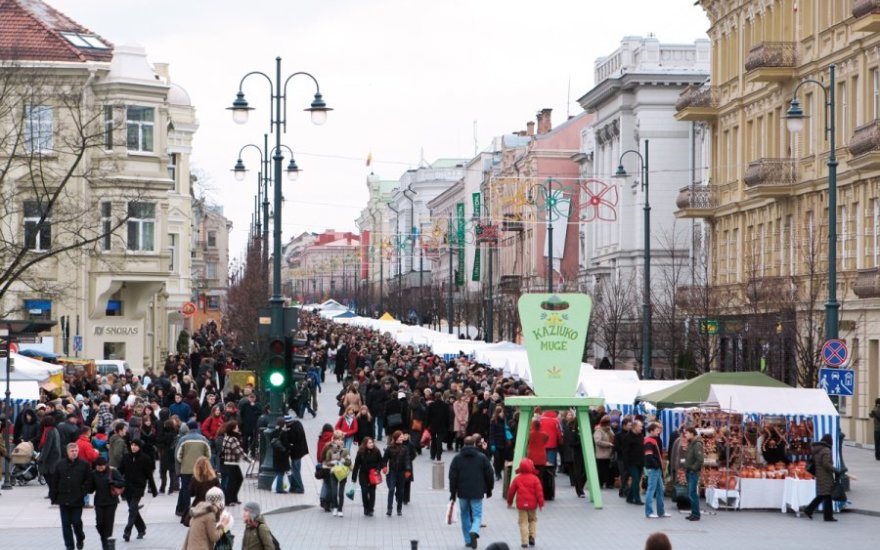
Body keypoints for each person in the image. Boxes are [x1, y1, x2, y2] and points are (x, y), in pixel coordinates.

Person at [449, 435, 494, 549]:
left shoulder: (457, 458)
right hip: (477, 491)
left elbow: (452, 477)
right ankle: (474, 530)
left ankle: (468, 540)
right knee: (477, 514)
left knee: (464, 514)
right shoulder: (482, 457)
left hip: (462, 492)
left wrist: (452, 492)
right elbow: (489, 475)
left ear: (464, 444)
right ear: (474, 444)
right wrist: (489, 489)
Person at [56, 442, 92, 550]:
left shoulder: (84, 464)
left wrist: (83, 491)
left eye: (76, 451)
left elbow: (88, 480)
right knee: (66, 525)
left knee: (76, 522)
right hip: (63, 499)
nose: (74, 453)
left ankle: (80, 538)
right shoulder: (60, 464)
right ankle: (69, 546)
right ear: (67, 452)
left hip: (77, 499)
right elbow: (55, 481)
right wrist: (55, 496)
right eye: (72, 451)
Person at [119, 439, 157, 541]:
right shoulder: (126, 457)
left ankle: (127, 531)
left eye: (136, 445)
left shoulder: (145, 458)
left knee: (132, 510)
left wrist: (153, 489)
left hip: (138, 488)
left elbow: (149, 475)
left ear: (139, 447)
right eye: (132, 445)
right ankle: (141, 529)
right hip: (127, 488)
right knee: (133, 510)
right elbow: (120, 471)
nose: (133, 447)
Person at [506, 458, 544, 549]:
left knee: (523, 522)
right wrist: (541, 503)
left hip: (521, 505)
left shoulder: (517, 479)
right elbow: (539, 492)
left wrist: (509, 502)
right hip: (532, 505)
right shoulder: (535, 479)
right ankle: (532, 536)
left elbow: (511, 492)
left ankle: (524, 542)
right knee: (533, 520)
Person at [176, 421, 211, 517]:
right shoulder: (203, 439)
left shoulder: (183, 439)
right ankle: (200, 508)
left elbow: (178, 455)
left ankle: (186, 510)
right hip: (200, 469)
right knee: (200, 489)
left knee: (185, 489)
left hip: (186, 469)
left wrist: (183, 462)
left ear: (188, 428)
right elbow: (208, 455)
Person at [803, 434, 840, 521]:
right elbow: (826, 464)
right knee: (827, 495)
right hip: (825, 475)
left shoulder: (817, 449)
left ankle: (809, 510)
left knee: (824, 495)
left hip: (819, 474)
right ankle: (827, 516)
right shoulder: (826, 450)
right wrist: (836, 470)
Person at [91, 456, 125, 550]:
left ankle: (108, 545)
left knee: (108, 524)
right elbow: (91, 488)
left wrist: (113, 482)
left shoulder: (112, 472)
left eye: (102, 466)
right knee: (99, 523)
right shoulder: (93, 474)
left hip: (111, 502)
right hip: (99, 502)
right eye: (98, 466)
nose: (101, 468)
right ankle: (104, 539)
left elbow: (122, 482)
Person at [219, 420, 252, 505]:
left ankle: (233, 498)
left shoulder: (226, 437)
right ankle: (229, 500)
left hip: (227, 462)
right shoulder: (233, 439)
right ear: (233, 429)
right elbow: (239, 451)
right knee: (233, 481)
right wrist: (249, 460)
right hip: (232, 463)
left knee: (236, 479)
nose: (238, 428)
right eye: (236, 427)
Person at [322, 430, 352, 517]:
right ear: (334, 440)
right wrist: (333, 462)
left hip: (342, 473)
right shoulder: (330, 451)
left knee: (341, 493)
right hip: (333, 473)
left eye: (341, 439)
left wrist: (344, 461)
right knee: (334, 492)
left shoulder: (345, 450)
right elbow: (326, 462)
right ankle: (335, 507)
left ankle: (340, 509)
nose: (340, 441)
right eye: (338, 439)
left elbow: (349, 462)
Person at [382, 430, 412, 516]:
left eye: (402, 437)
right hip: (392, 472)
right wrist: (384, 467)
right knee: (391, 489)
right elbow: (384, 460)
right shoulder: (389, 448)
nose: (401, 439)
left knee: (400, 491)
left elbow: (407, 460)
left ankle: (399, 509)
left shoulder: (405, 449)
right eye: (400, 437)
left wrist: (408, 470)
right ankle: (389, 509)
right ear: (395, 438)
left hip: (402, 473)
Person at [352, 436, 383, 516]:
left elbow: (381, 462)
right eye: (369, 443)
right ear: (365, 444)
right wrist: (354, 478)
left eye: (372, 442)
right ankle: (366, 507)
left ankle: (371, 508)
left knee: (372, 492)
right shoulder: (360, 453)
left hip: (373, 474)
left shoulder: (376, 451)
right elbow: (356, 465)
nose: (371, 444)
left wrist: (378, 470)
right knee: (364, 491)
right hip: (363, 474)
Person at [643, 422, 669, 519]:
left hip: (656, 468)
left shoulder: (652, 440)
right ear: (651, 431)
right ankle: (649, 512)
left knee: (660, 489)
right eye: (657, 430)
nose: (659, 431)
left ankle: (661, 512)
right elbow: (649, 456)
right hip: (654, 468)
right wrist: (657, 465)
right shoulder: (649, 441)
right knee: (651, 490)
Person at [282, 415, 309, 494]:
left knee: (296, 469)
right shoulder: (298, 424)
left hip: (296, 452)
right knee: (296, 469)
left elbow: (291, 440)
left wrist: (285, 432)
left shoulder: (292, 429)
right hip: (300, 451)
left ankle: (300, 487)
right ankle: (294, 486)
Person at [682, 427, 704, 521]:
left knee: (692, 493)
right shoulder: (691, 443)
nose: (685, 435)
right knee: (691, 493)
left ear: (692, 433)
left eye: (686, 433)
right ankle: (693, 513)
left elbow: (700, 460)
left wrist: (693, 469)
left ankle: (696, 514)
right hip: (689, 471)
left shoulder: (697, 444)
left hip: (692, 472)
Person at [622, 420, 644, 505]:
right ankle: (637, 499)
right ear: (635, 427)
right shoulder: (627, 437)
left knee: (637, 480)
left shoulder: (641, 436)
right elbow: (625, 453)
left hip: (640, 462)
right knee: (635, 480)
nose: (641, 428)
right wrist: (626, 465)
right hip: (632, 463)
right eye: (640, 426)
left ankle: (629, 497)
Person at [425, 389, 451, 461]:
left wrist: (426, 425)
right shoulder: (445, 405)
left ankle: (432, 455)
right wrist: (448, 426)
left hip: (433, 426)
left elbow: (427, 416)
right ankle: (439, 455)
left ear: (435, 397)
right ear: (441, 396)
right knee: (439, 440)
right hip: (442, 426)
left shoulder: (431, 405)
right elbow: (448, 417)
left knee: (433, 440)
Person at [593, 415, 615, 489]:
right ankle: (600, 483)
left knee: (609, 470)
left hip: (609, 454)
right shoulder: (598, 431)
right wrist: (608, 444)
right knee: (601, 470)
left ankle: (609, 483)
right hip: (601, 455)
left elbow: (613, 437)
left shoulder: (609, 430)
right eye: (609, 423)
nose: (610, 425)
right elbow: (598, 441)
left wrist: (610, 431)